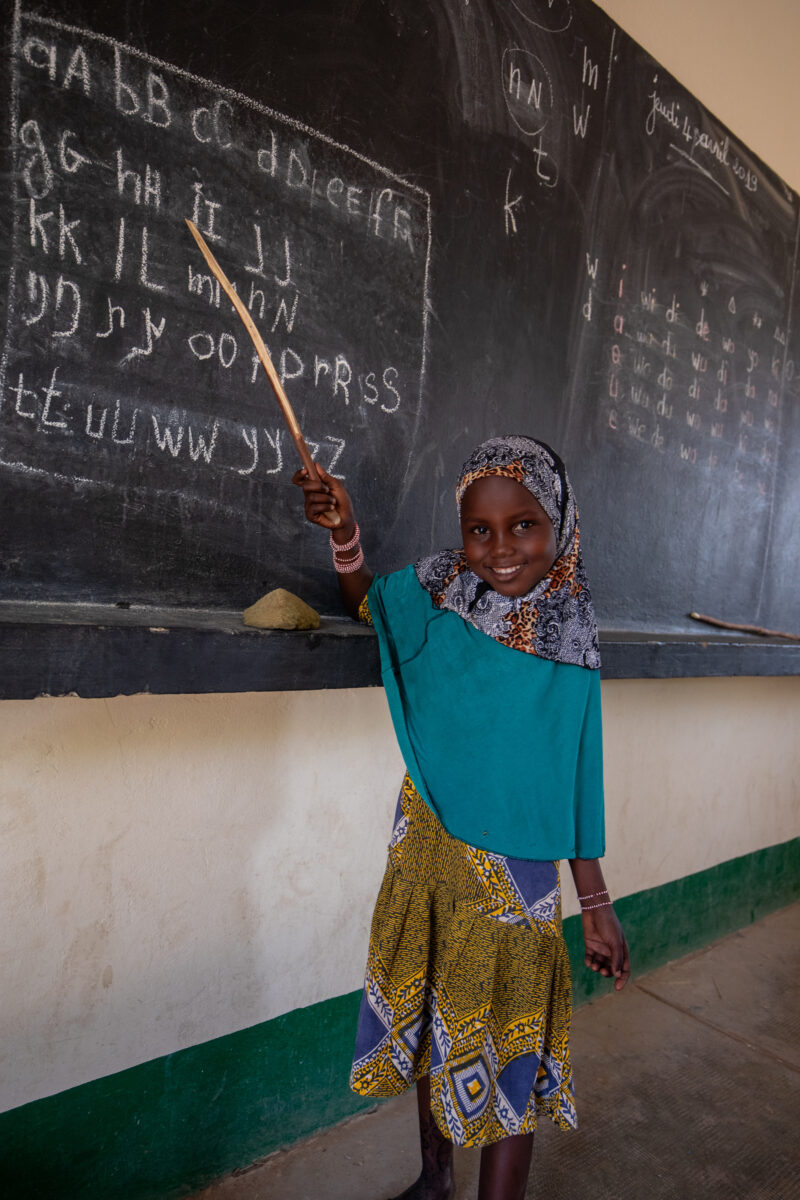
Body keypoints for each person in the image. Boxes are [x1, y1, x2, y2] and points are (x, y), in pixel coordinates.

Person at [294, 435, 630, 1200]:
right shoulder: (441, 584)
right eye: (480, 530)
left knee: (508, 1042)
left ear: (560, 523)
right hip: (427, 840)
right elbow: (368, 604)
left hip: (511, 871)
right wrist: (345, 534)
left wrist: (596, 902)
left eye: (524, 526)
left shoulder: (571, 625)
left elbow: (574, 771)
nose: (500, 549)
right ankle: (434, 1181)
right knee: (432, 1013)